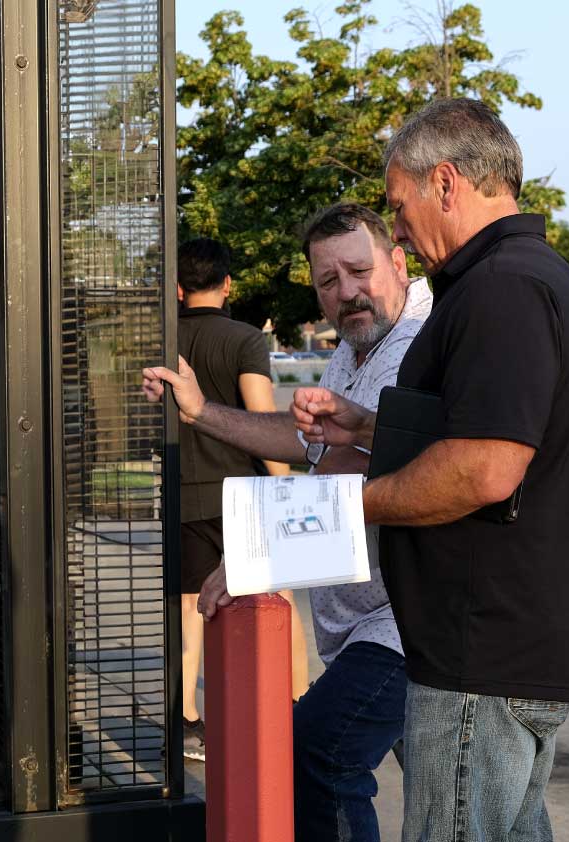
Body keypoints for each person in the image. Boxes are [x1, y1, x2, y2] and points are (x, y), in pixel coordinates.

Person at [292, 98, 569, 842]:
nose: (396, 227)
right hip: (500, 653)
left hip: (478, 660)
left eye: (398, 206)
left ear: (444, 183)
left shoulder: (501, 287)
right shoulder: (522, 277)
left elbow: (486, 469)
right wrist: (370, 426)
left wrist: (345, 508)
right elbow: (482, 429)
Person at [144, 205, 432, 841]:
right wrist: (198, 412)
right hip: (366, 625)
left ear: (399, 262)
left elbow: (357, 480)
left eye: (359, 270)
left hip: (405, 623)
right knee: (451, 805)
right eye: (327, 281)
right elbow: (305, 444)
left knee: (318, 754)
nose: (346, 292)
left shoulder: (411, 349)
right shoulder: (359, 348)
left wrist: (248, 557)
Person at [173, 238, 309, 762]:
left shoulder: (165, 342)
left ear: (180, 287)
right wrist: (283, 482)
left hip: (184, 491)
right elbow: (259, 413)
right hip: (245, 495)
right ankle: (294, 706)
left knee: (191, 607)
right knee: (279, 601)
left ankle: (186, 721)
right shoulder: (246, 338)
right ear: (228, 284)